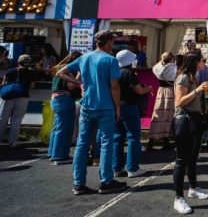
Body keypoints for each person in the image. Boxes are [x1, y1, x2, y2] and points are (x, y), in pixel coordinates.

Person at [56, 30, 128, 195]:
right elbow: (114, 86)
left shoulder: (84, 57)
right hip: (105, 106)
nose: (113, 44)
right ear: (108, 42)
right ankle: (106, 181)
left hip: (87, 106)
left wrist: (79, 82)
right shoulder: (110, 60)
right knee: (106, 143)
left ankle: (78, 183)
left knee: (82, 144)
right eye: (112, 41)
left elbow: (60, 72)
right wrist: (117, 107)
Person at [172, 52, 208, 214]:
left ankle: (193, 188)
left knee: (193, 157)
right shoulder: (184, 78)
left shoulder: (193, 77)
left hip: (194, 120)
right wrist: (197, 91)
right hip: (184, 121)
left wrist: (207, 95)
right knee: (182, 160)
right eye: (203, 60)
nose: (205, 62)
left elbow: (194, 100)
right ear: (195, 62)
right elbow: (179, 101)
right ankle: (178, 198)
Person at [113, 50, 152, 178]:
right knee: (133, 137)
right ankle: (132, 168)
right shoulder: (129, 73)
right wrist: (149, 88)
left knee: (118, 137)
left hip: (116, 106)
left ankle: (117, 168)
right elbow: (139, 91)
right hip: (129, 106)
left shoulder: (114, 72)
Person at [0, 54, 44, 147]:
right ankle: (13, 141)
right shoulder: (31, 73)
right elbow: (32, 86)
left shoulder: (11, 70)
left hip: (8, 96)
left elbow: (4, 83)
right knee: (16, 119)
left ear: (18, 62)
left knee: (2, 118)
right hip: (23, 96)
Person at [48, 52, 82, 164]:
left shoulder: (57, 67)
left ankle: (52, 153)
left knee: (57, 127)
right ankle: (59, 156)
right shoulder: (67, 70)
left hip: (55, 99)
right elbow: (71, 86)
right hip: (64, 99)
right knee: (64, 128)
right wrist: (79, 75)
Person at [147, 52, 177, 151]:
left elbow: (155, 68)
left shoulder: (157, 67)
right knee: (169, 115)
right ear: (172, 58)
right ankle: (166, 140)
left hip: (161, 91)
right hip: (171, 91)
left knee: (158, 115)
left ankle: (151, 141)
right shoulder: (173, 68)